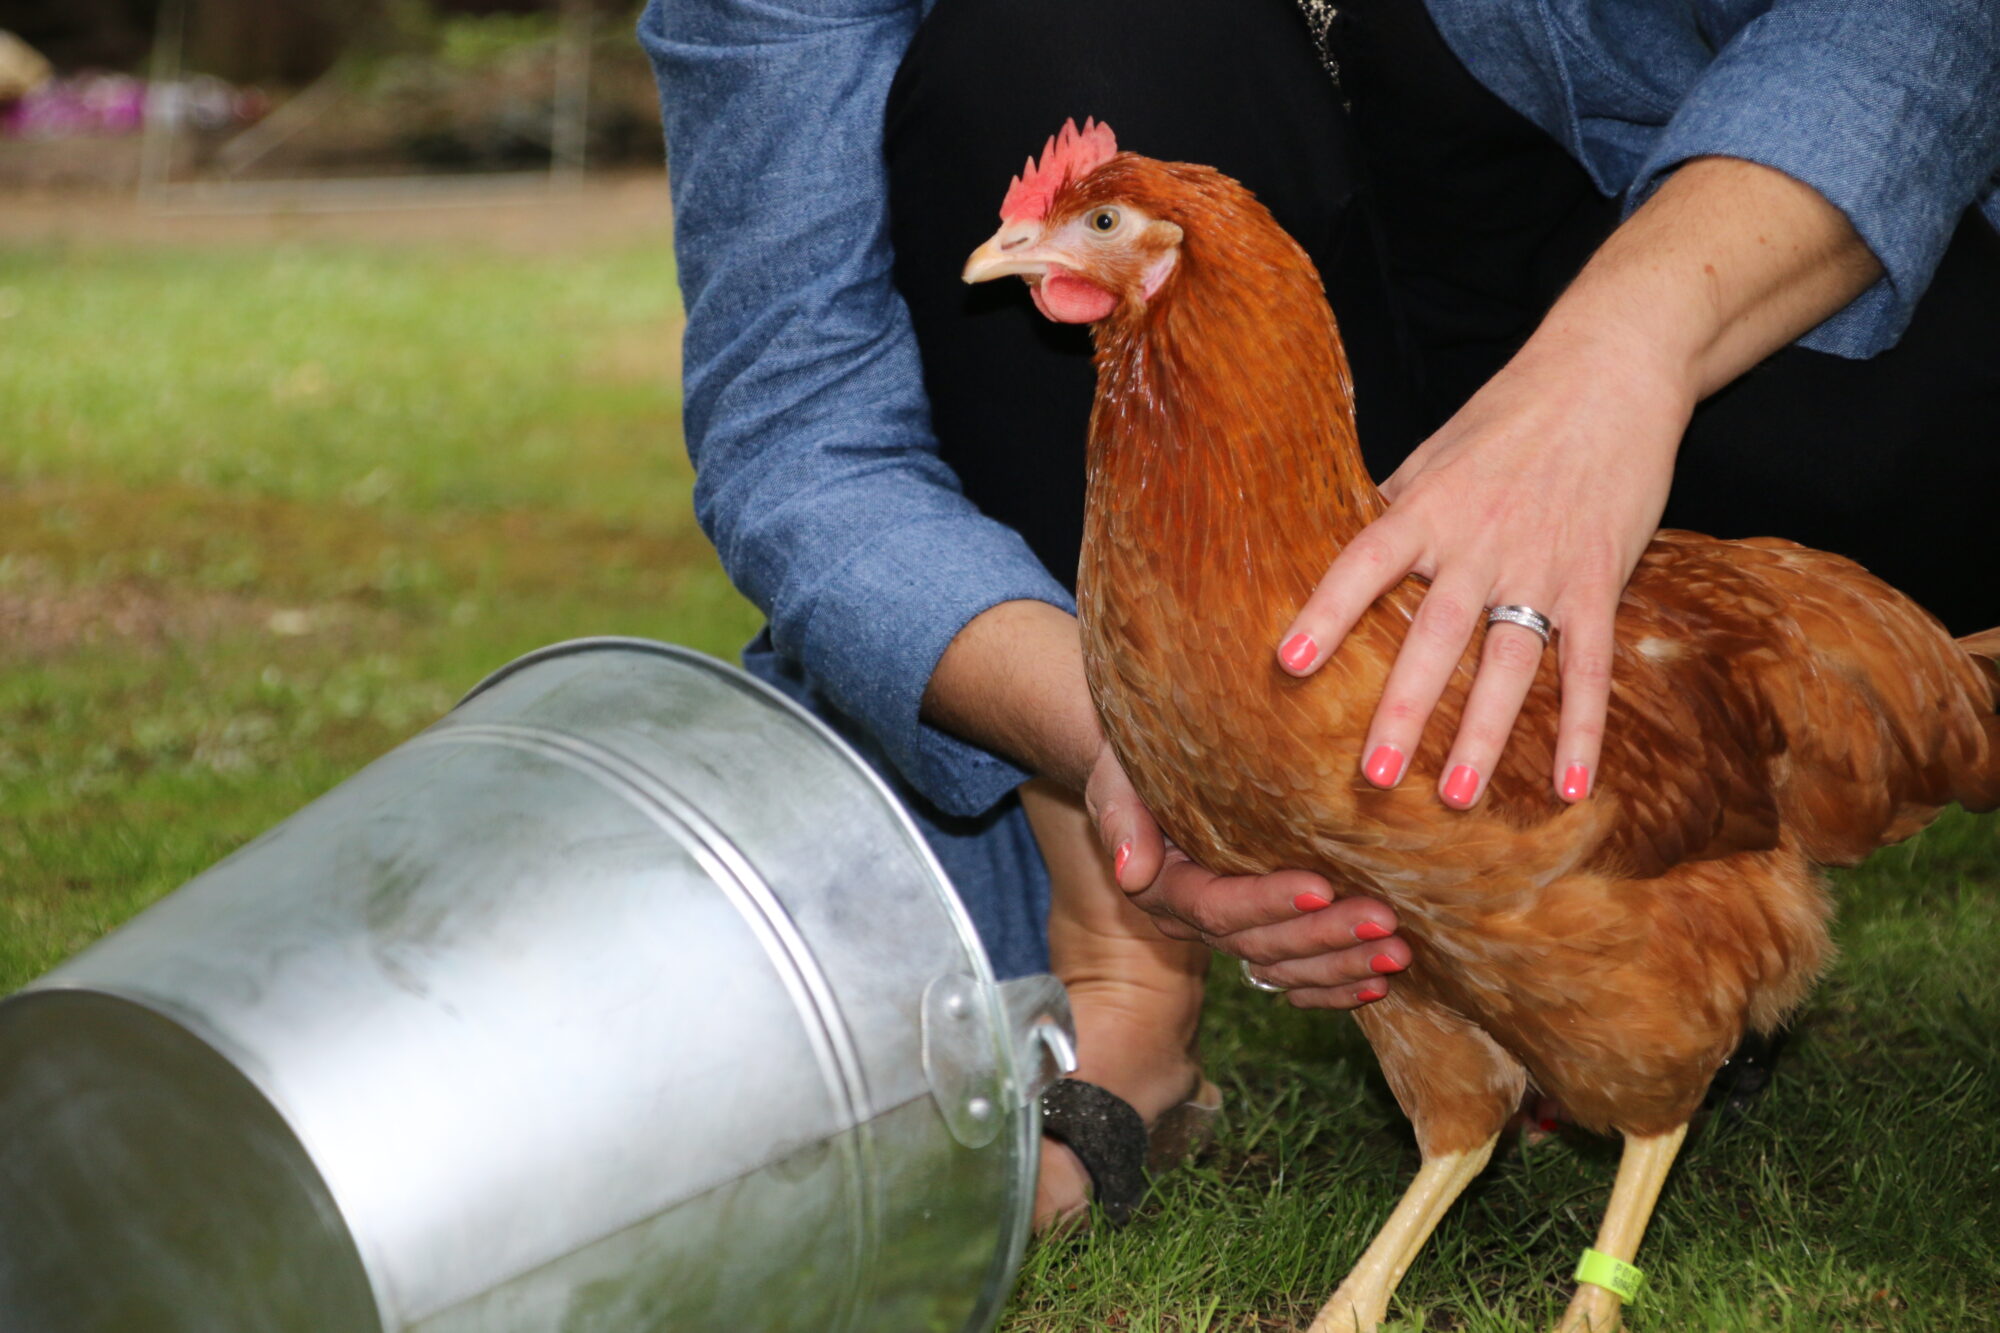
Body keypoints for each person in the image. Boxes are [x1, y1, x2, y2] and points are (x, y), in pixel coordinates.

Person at [641, 0, 2000, 1226]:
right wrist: (1142, 747)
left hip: (1736, 295)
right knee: (1053, 30)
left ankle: (1631, 912)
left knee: (1827, 491)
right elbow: (796, 425)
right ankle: (1127, 954)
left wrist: (1619, 359)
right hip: (1266, 462)